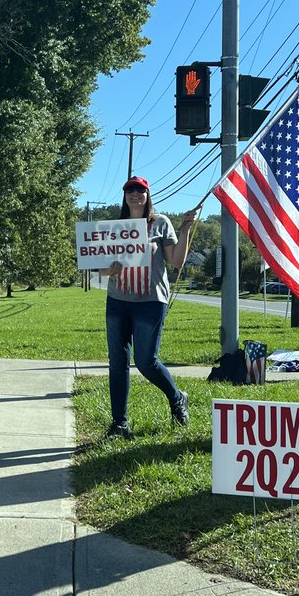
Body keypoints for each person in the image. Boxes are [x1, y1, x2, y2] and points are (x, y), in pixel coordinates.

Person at [102, 175, 195, 439]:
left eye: (140, 190)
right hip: (118, 300)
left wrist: (186, 228)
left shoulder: (161, 223)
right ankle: (119, 424)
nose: (135, 194)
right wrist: (109, 269)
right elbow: (101, 266)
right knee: (117, 362)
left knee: (145, 361)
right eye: (130, 189)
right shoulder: (115, 226)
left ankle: (177, 398)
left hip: (151, 301)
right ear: (124, 195)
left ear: (147, 194)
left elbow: (176, 261)